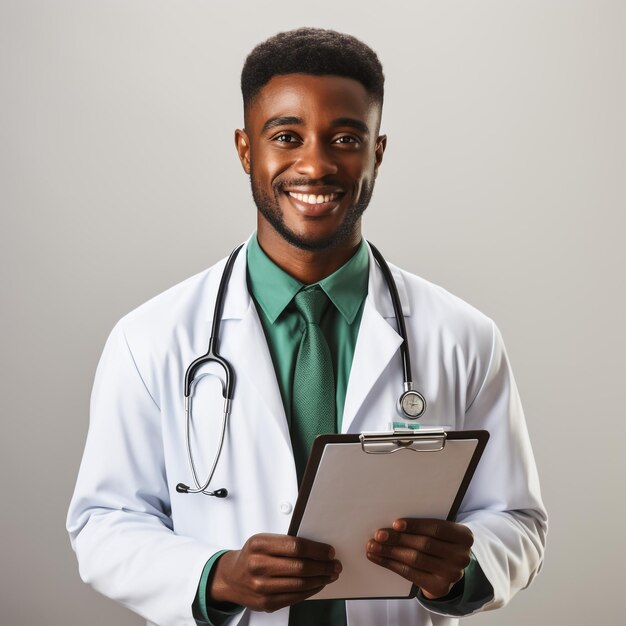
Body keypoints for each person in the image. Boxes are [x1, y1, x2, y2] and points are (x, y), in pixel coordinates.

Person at [67, 27, 547, 626]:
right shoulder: (150, 339)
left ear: (378, 151)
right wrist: (216, 576)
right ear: (246, 150)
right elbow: (104, 523)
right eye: (286, 137)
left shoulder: (463, 337)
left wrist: (465, 567)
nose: (316, 165)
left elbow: (517, 522)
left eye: (345, 138)